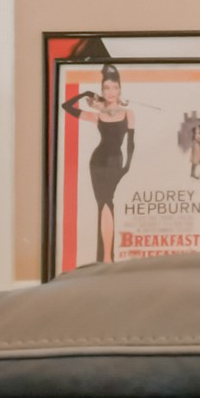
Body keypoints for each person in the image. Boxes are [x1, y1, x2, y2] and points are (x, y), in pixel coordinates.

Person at [60, 65, 135, 264]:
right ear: (101, 92)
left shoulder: (129, 113)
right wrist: (84, 93)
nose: (111, 92)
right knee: (103, 204)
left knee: (107, 203)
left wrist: (126, 167)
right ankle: (107, 257)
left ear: (120, 89)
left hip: (115, 162)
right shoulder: (97, 115)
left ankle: (107, 257)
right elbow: (66, 107)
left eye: (114, 87)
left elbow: (131, 143)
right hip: (98, 162)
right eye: (106, 88)